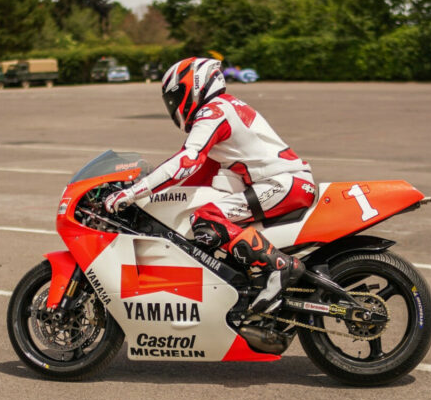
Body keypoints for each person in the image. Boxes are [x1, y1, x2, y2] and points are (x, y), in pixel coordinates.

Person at [104, 57, 316, 313]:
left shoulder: (213, 111)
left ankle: (280, 267)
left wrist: (134, 192)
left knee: (207, 219)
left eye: (175, 97)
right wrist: (153, 199)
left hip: (284, 183)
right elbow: (196, 175)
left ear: (194, 85)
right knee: (211, 217)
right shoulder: (225, 108)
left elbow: (186, 160)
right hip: (282, 182)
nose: (173, 106)